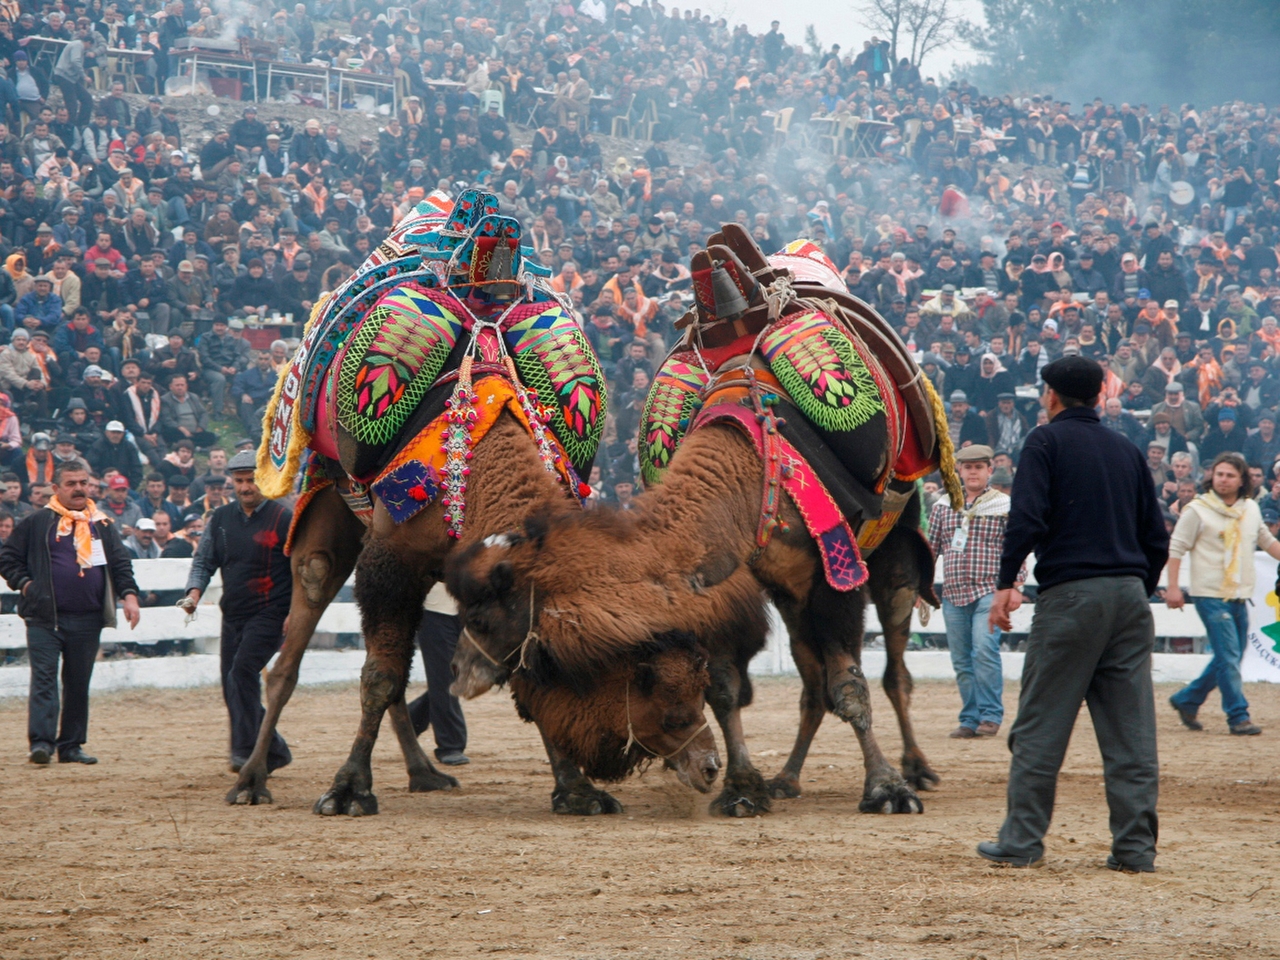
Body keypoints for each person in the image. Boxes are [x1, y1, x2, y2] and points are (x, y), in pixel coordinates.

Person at [982, 356, 1169, 873]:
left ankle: (1021, 842)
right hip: (1130, 598)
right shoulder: (1128, 450)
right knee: (1131, 733)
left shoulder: (1046, 442)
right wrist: (1135, 586)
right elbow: (1156, 536)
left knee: (1041, 725)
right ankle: (1135, 850)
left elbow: (1027, 519)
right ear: (1096, 395)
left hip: (1071, 597)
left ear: (1052, 396)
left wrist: (1005, 583)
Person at [0, 458, 140, 765]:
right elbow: (7, 558)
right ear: (55, 487)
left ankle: (72, 745)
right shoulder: (38, 522)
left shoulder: (102, 524)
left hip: (88, 618)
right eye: (71, 483)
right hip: (44, 617)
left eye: (83, 483)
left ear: (90, 484)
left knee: (78, 682)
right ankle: (41, 743)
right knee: (45, 679)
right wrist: (25, 585)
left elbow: (120, 564)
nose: (79, 489)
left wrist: (129, 596)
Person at [180, 451, 293, 772]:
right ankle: (275, 749)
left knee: (241, 674)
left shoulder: (283, 519)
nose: (245, 487)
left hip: (271, 611)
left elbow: (300, 569)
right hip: (234, 614)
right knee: (231, 686)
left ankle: (245, 752)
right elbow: (204, 560)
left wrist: (294, 613)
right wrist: (193, 594)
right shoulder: (220, 519)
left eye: (252, 480)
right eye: (240, 480)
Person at [1165, 452, 1279, 736]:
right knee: (1229, 655)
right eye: (1219, 474)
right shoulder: (1197, 509)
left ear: (1242, 481)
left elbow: (1266, 541)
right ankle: (1238, 715)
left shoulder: (1250, 509)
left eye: (1230, 475)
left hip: (1239, 594)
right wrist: (1174, 586)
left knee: (1230, 657)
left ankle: (1187, 700)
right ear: (1211, 477)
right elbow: (1176, 548)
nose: (1223, 480)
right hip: (1209, 594)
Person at [928, 444, 1022, 739]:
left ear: (989, 471)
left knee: (984, 649)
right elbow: (931, 549)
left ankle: (991, 715)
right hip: (953, 591)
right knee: (961, 658)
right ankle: (971, 718)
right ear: (958, 470)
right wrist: (923, 583)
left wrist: (1016, 586)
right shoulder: (943, 506)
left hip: (989, 590)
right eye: (968, 467)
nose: (973, 472)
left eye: (979, 467)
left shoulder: (1004, 506)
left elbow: (1016, 549)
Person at [406, 583, 469, 766]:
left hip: (472, 606)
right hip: (436, 610)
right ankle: (450, 745)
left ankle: (413, 718)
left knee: (467, 675)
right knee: (444, 677)